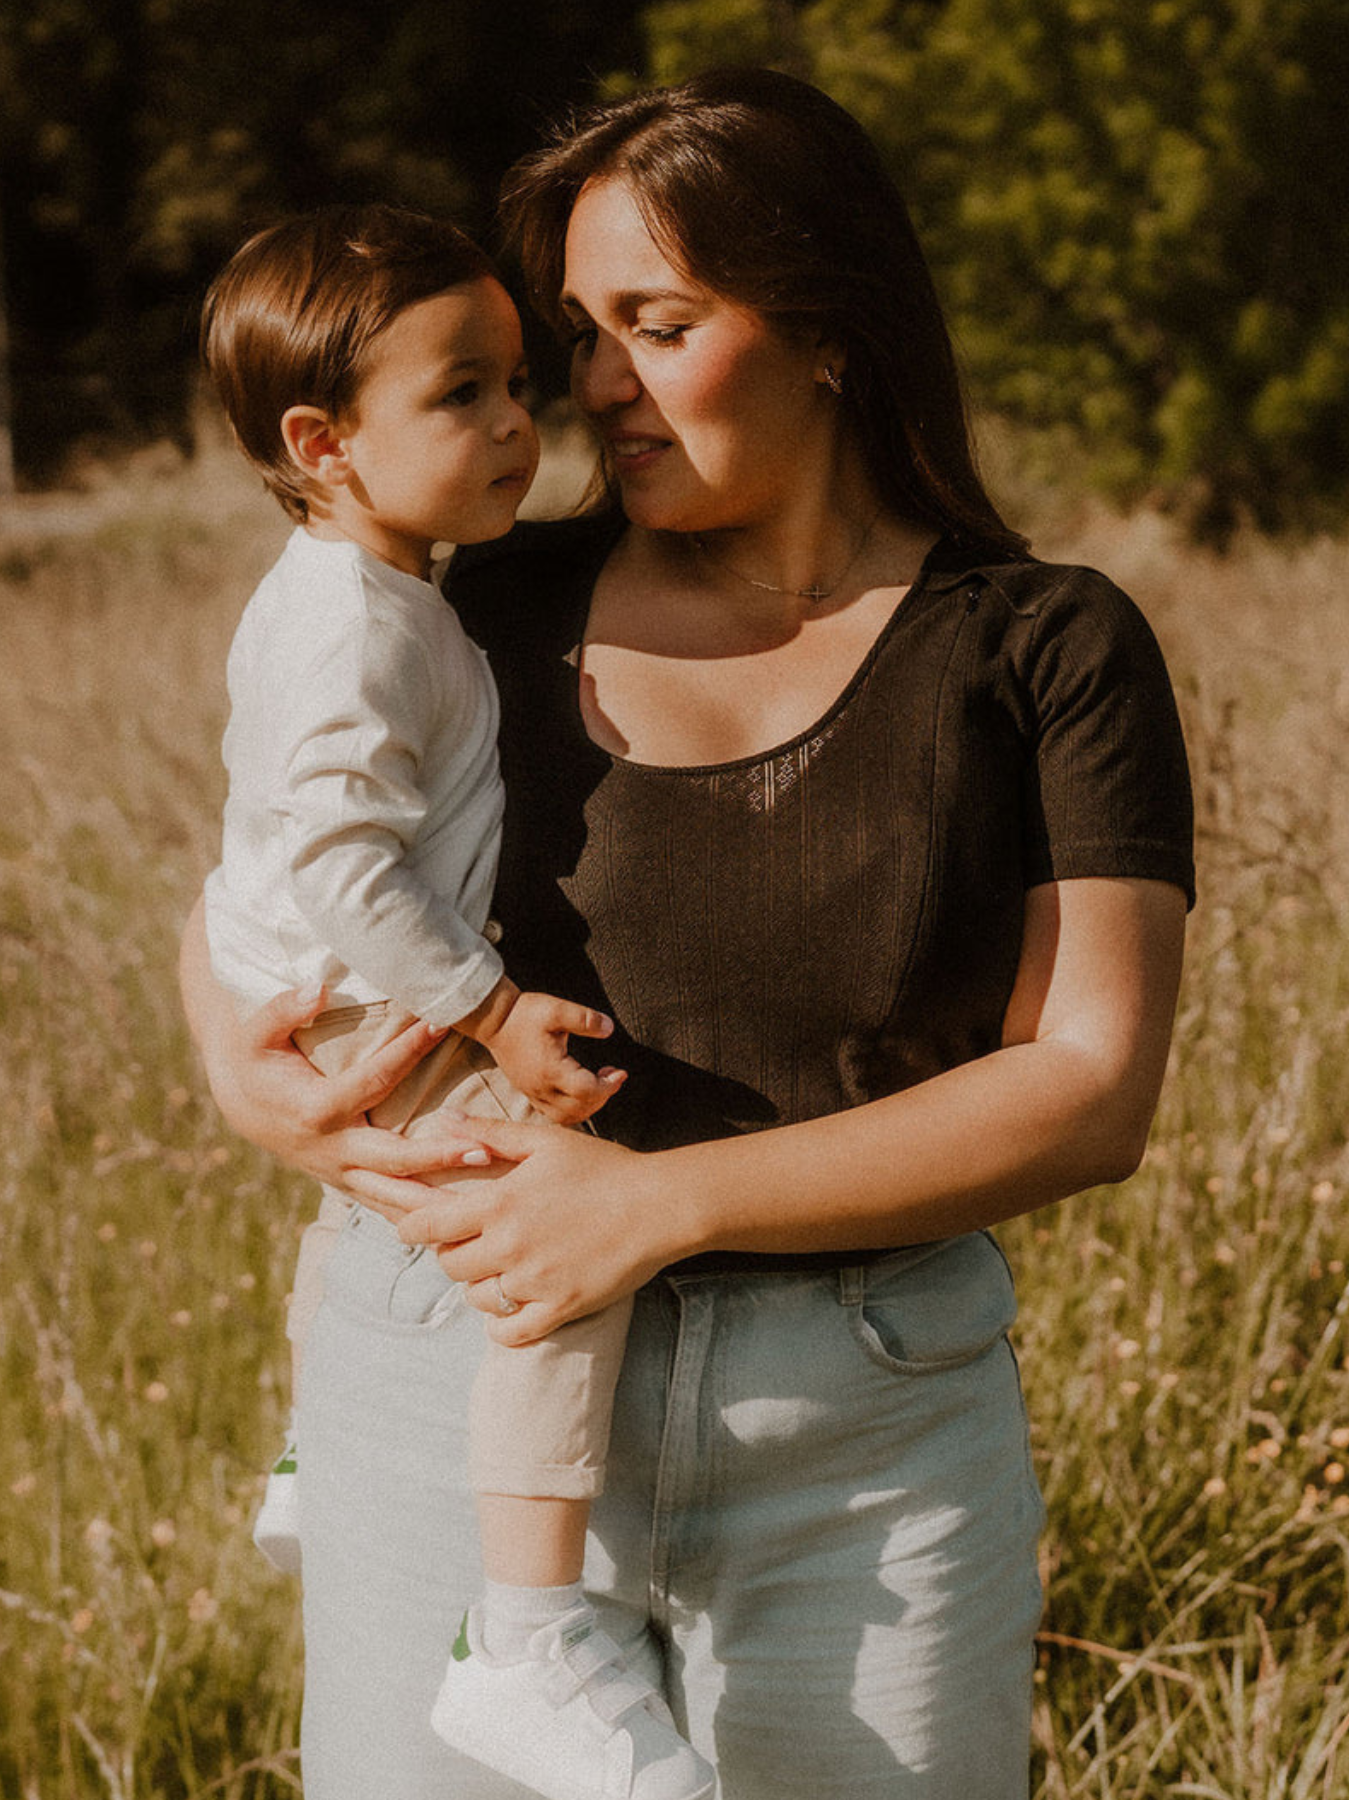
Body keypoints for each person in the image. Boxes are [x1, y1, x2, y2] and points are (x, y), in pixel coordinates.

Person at [181, 68, 1195, 1800]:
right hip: (444, 1373)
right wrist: (232, 1062)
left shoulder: (1046, 648)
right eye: (581, 332)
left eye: (654, 322)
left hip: (862, 1443)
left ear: (826, 327)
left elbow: (1092, 1085)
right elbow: (283, 857)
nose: (591, 387)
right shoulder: (468, 601)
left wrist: (662, 1203)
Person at [197, 202, 715, 1800]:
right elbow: (349, 867)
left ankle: (306, 1456)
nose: (520, 421)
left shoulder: (360, 588)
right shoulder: (363, 628)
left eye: (515, 380)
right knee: (555, 1241)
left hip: (308, 975)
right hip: (381, 996)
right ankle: (530, 1637)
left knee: (384, 1194)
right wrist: (492, 1017)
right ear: (323, 440)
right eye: (465, 394)